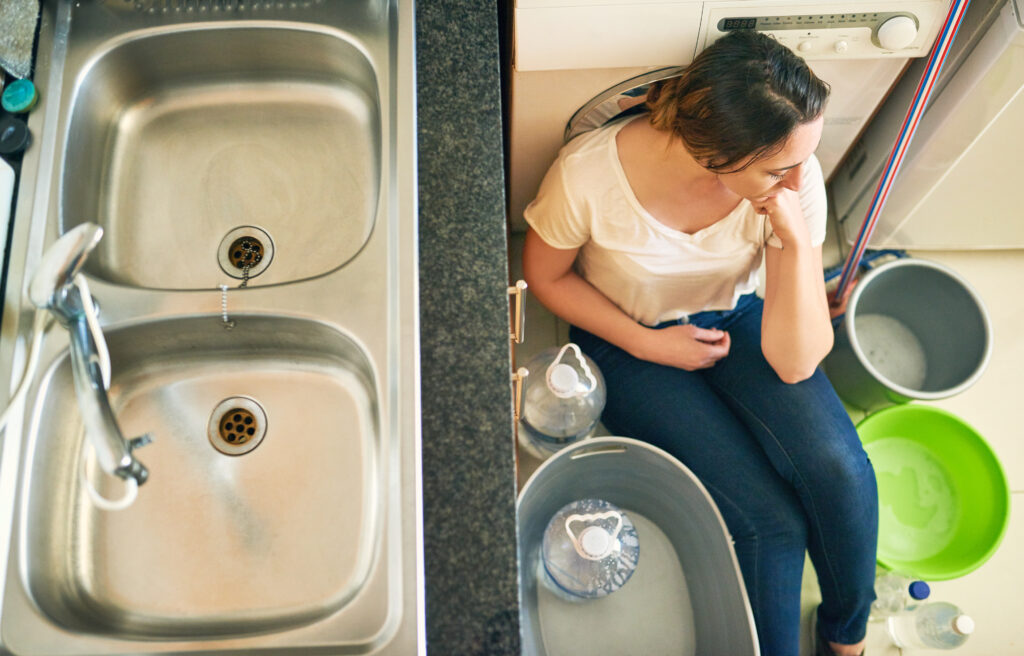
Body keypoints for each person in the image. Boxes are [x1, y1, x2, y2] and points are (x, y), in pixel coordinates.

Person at [521, 30, 878, 656]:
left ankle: (846, 636)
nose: (799, 178)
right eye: (779, 168)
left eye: (803, 159)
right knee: (770, 523)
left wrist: (795, 244)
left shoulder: (789, 184)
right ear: (718, 156)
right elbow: (547, 278)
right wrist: (648, 344)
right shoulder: (588, 175)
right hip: (625, 339)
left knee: (840, 470)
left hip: (736, 314)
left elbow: (795, 363)